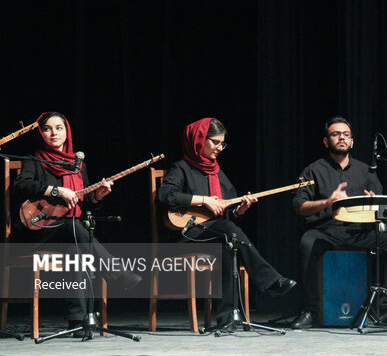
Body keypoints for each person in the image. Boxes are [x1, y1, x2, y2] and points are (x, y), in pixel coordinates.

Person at [157, 117, 296, 324]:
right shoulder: (181, 168)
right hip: (185, 235)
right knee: (228, 231)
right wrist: (203, 200)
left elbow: (226, 214)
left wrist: (240, 209)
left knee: (228, 247)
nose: (220, 148)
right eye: (215, 142)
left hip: (212, 234)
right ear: (199, 139)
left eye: (223, 143)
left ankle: (227, 317)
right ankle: (269, 280)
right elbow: (165, 195)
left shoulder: (217, 172)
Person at [13, 111, 141, 334]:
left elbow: (85, 204)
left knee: (76, 249)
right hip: (39, 230)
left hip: (70, 231)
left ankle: (77, 321)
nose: (54, 133)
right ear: (41, 133)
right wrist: (57, 189)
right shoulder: (34, 160)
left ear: (67, 131)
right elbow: (22, 186)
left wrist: (97, 196)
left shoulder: (78, 164)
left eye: (59, 128)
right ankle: (116, 273)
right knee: (77, 229)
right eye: (47, 128)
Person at [290, 116, 387, 329]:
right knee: (308, 242)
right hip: (325, 231)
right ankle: (311, 311)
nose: (341, 137)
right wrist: (328, 201)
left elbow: (383, 211)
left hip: (359, 232)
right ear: (326, 142)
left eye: (345, 134)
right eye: (335, 134)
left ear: (352, 141)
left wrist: (373, 204)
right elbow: (299, 206)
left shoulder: (366, 171)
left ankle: (386, 309)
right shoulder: (313, 170)